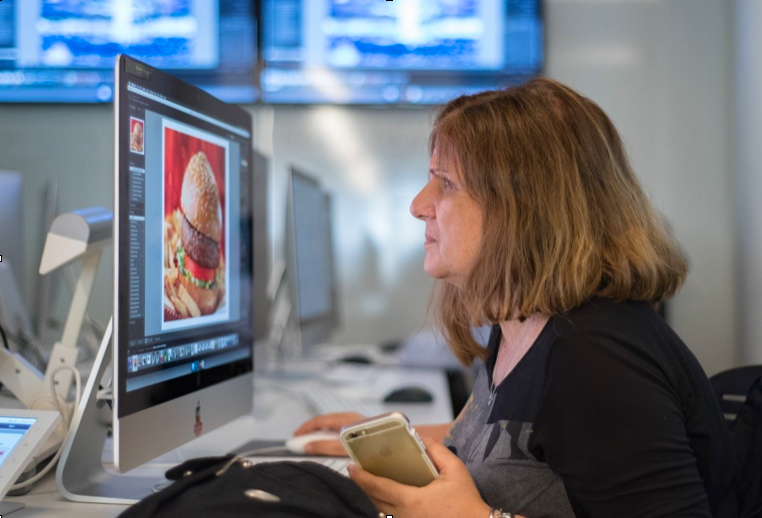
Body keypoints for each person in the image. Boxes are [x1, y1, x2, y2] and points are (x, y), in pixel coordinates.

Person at [294, 78, 737, 518]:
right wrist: (394, 440)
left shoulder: (595, 358)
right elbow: (520, 441)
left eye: (445, 183)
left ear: (521, 209)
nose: (418, 204)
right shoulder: (519, 323)